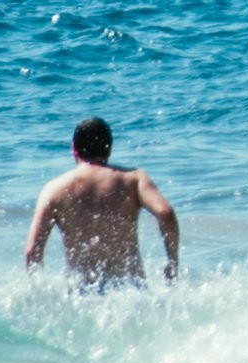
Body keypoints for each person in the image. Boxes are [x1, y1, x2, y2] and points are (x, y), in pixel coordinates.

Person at [24, 118, 182, 286]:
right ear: (109, 149)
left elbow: (32, 252)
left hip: (81, 292)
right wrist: (172, 262)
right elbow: (166, 213)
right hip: (129, 287)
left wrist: (39, 289)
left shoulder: (54, 189)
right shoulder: (133, 179)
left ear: (74, 149)